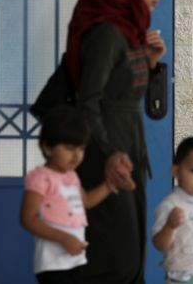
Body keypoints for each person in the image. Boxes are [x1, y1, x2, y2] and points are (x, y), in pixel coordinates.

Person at [66, 0, 167, 283]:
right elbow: (89, 102)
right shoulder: (107, 34)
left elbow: (124, 91)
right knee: (115, 255)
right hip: (106, 151)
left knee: (131, 250)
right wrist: (109, 153)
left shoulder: (128, 32)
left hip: (126, 146)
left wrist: (150, 61)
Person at [20, 105, 117, 284]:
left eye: (81, 148)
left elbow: (86, 201)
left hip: (76, 260)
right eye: (70, 148)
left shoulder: (72, 176)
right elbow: (28, 219)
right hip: (53, 264)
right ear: (47, 147)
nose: (77, 155)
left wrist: (108, 186)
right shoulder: (40, 177)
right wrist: (64, 238)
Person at [152, 136, 193, 284]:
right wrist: (169, 226)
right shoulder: (170, 206)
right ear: (176, 171)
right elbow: (159, 244)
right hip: (182, 280)